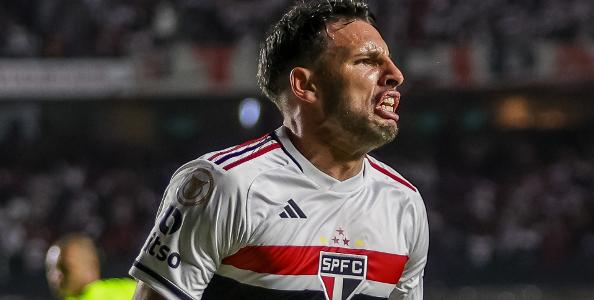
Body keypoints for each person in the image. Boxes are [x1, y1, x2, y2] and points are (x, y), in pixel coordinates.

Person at [130, 0, 429, 299]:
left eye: (389, 60)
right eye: (366, 61)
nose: (395, 74)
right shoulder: (226, 184)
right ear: (305, 85)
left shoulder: (404, 204)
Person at [45, 233, 137, 300]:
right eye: (50, 269)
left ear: (91, 266)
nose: (55, 277)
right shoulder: (135, 288)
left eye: (63, 268)